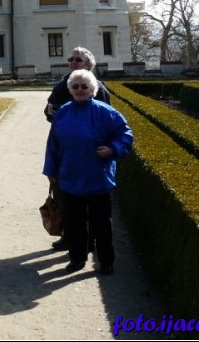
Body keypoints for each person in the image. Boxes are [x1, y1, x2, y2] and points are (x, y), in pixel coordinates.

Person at [43, 69, 133, 275]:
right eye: (75, 86)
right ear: (70, 89)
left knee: (101, 224)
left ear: (93, 89)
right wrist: (51, 169)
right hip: (70, 176)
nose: (80, 89)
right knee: (74, 223)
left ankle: (106, 260)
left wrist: (112, 149)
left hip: (98, 177)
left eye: (85, 86)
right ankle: (77, 258)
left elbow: (125, 134)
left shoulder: (106, 112)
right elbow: (53, 144)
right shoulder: (63, 112)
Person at [44, 46, 112, 251]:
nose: (73, 62)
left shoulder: (99, 89)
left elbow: (109, 123)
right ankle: (70, 237)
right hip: (66, 152)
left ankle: (90, 240)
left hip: (91, 154)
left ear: (89, 65)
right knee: (65, 198)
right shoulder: (61, 85)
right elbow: (48, 113)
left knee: (92, 202)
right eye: (71, 59)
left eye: (79, 60)